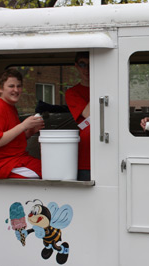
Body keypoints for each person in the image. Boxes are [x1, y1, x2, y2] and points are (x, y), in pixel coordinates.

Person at [0, 68, 45, 179]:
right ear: (0, 88)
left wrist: (29, 132)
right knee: (51, 172)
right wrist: (23, 125)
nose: (16, 90)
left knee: (52, 168)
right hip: (3, 165)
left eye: (19, 86)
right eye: (11, 86)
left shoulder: (10, 107)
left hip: (16, 160)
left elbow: (11, 140)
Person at [65, 52, 91, 181]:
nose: (87, 69)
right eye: (83, 64)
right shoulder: (72, 93)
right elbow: (88, 114)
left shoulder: (112, 88)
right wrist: (102, 83)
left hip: (110, 153)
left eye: (91, 65)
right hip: (85, 158)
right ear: (77, 66)